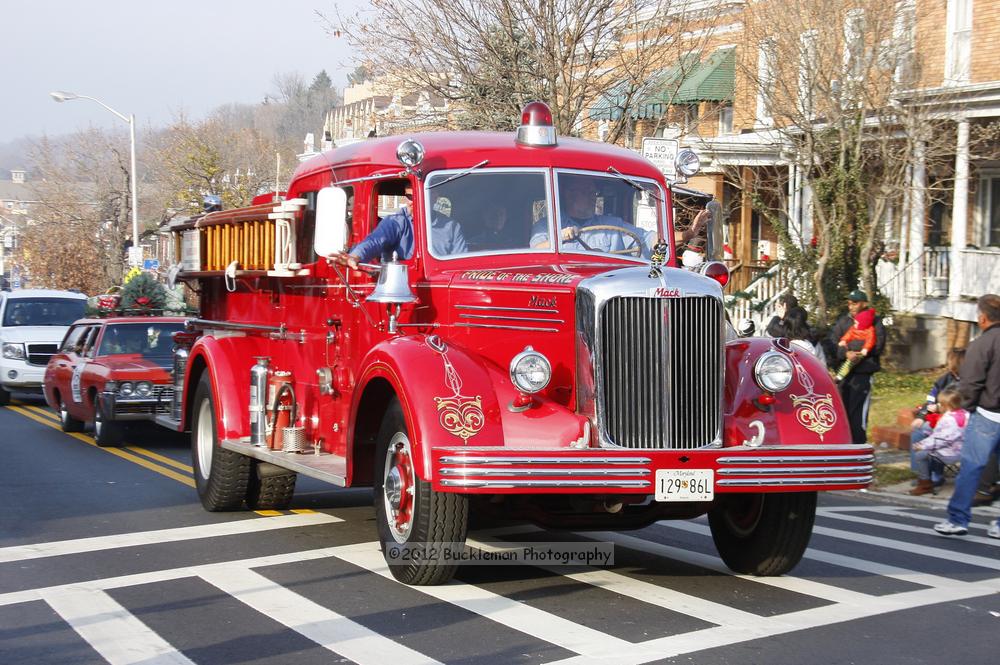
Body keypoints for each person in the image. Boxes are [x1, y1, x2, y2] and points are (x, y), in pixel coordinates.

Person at [934, 294, 1000, 538]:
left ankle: (957, 519)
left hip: (988, 414)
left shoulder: (982, 344)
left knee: (971, 468)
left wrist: (966, 407)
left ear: (982, 318)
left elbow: (971, 383)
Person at [326, 183, 467, 269]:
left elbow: (462, 261)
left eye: (419, 196)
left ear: (434, 197)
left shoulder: (451, 226)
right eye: (409, 197)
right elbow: (375, 240)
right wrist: (355, 256)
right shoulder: (396, 221)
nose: (412, 201)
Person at [530, 176, 671, 258]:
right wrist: (559, 237)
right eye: (585, 191)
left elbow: (648, 238)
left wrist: (685, 235)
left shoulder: (613, 225)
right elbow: (535, 251)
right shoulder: (547, 226)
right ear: (569, 194)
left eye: (593, 192)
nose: (592, 196)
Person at [828, 290, 885, 445]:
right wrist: (846, 353)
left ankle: (858, 447)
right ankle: (842, 448)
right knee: (842, 413)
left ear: (864, 304)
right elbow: (832, 344)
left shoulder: (875, 322)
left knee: (858, 416)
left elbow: (876, 345)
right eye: (849, 302)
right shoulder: (843, 322)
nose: (851, 306)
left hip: (863, 375)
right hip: (843, 375)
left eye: (855, 303)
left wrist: (851, 347)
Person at [909, 387, 967, 495]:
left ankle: (925, 483)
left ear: (946, 406)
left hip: (951, 452)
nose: (937, 406)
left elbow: (942, 439)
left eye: (940, 404)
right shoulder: (964, 414)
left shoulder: (949, 419)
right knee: (927, 445)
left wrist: (922, 445)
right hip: (961, 448)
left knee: (920, 455)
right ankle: (934, 476)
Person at [833, 306, 877, 382]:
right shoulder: (854, 328)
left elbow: (870, 341)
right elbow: (849, 334)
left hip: (860, 351)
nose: (855, 324)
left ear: (863, 324)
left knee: (850, 363)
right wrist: (844, 341)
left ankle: (839, 377)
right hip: (851, 348)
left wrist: (865, 349)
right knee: (845, 358)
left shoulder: (870, 331)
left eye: (857, 323)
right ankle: (838, 374)